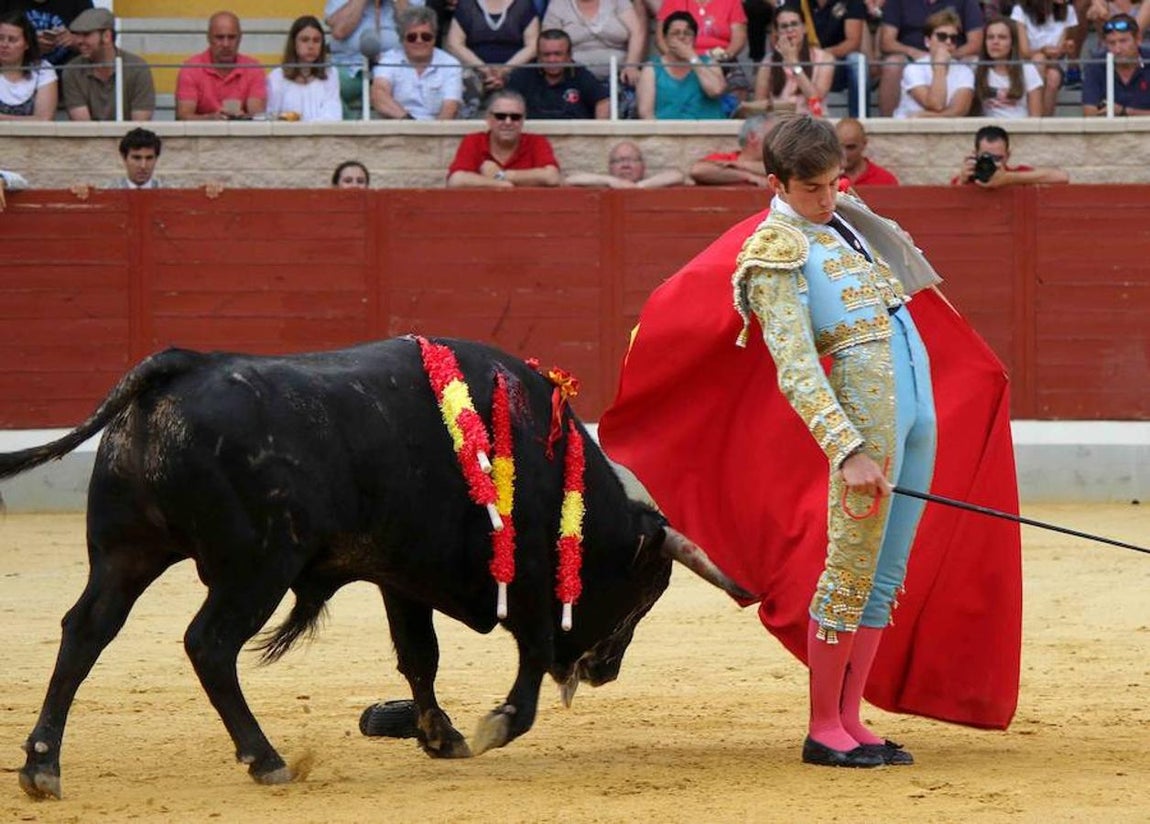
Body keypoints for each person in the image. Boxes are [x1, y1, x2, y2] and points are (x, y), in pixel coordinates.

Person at [597, 112, 1024, 769]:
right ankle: (824, 724)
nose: (827, 198)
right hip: (865, 435)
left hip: (914, 427)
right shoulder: (775, 251)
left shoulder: (849, 223)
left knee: (885, 579)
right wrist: (846, 449)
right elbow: (794, 366)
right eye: (813, 189)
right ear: (777, 183)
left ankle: (854, 718)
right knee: (846, 576)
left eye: (834, 183)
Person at [878, 0, 984, 116]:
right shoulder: (913, 70)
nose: (948, 42)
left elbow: (959, 110)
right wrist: (938, 64)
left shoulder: (965, 72)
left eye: (953, 38)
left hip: (954, 60)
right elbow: (936, 105)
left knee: (974, 61)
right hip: (910, 130)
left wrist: (929, 117)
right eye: (942, 37)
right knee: (893, 64)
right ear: (927, 41)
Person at [326, 0, 426, 118]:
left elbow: (417, 31)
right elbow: (339, 31)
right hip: (351, 66)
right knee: (323, 86)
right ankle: (354, 129)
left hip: (396, 67)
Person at [446, 89, 561, 187]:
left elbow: (552, 177)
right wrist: (500, 183)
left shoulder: (536, 142)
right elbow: (455, 180)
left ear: (523, 120)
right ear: (488, 119)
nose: (508, 122)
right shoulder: (474, 141)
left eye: (515, 117)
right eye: (500, 116)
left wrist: (501, 175)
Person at [61, 7, 155, 121]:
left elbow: (140, 124)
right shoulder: (72, 71)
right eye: (77, 35)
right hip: (90, 138)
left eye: (86, 34)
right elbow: (83, 127)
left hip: (130, 138)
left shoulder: (138, 68)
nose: (79, 41)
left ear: (106, 36)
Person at [444, 0, 539, 113]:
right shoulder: (466, 5)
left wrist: (504, 70)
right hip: (475, 69)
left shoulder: (524, 4)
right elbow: (454, 44)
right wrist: (485, 69)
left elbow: (533, 47)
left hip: (515, 70)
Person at [70, 127, 223, 197]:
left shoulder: (171, 192)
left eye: (149, 158)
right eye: (136, 158)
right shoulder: (106, 191)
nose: (143, 165)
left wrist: (208, 191)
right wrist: (81, 192)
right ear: (124, 158)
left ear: (156, 159)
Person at [372, 6, 462, 119]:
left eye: (426, 36)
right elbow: (379, 95)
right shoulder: (389, 59)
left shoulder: (450, 64)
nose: (419, 41)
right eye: (412, 37)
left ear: (434, 38)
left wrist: (434, 134)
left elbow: (450, 108)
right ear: (401, 39)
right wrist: (410, 123)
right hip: (398, 127)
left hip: (437, 131)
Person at [175, 11, 267, 121]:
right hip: (201, 136)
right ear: (208, 38)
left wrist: (242, 118)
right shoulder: (191, 68)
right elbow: (184, 116)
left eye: (231, 37)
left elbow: (257, 115)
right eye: (219, 37)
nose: (226, 44)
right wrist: (212, 119)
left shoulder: (253, 68)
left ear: (240, 38)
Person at [655, 0, 749, 104]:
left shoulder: (731, 2)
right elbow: (661, 39)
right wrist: (677, 57)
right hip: (681, 58)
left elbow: (738, 39)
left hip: (720, 59)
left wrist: (723, 57)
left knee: (739, 84)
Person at [636, 11, 727, 119]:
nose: (681, 37)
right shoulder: (651, 69)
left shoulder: (710, 63)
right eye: (675, 33)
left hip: (708, 133)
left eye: (687, 33)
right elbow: (646, 114)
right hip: (667, 133)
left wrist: (692, 57)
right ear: (665, 39)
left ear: (695, 38)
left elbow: (716, 90)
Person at [541, 0, 645, 91]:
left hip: (619, 74)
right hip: (573, 77)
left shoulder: (617, 1)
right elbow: (547, 41)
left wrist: (631, 65)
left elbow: (637, 32)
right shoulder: (559, 4)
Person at [750, 5, 834, 116]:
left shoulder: (824, 58)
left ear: (804, 28)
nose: (790, 30)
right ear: (777, 32)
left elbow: (816, 99)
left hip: (812, 124)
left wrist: (794, 64)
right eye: (784, 26)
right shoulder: (769, 62)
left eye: (794, 24)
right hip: (778, 123)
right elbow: (758, 105)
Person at [506, 28, 609, 117]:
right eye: (546, 54)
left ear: (569, 56)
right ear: (538, 56)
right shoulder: (522, 75)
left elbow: (603, 102)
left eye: (558, 54)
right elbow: (505, 104)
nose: (552, 60)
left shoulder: (580, 74)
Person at [266, 15, 343, 121]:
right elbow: (271, 116)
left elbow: (333, 116)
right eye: (305, 40)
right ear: (294, 43)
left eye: (316, 40)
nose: (311, 46)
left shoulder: (330, 74)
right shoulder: (277, 77)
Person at [1011, 0, 1077, 116]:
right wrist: (1043, 50)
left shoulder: (1068, 10)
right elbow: (1023, 52)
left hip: (1054, 63)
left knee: (1053, 75)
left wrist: (1065, 48)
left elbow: (1059, 52)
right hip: (1026, 65)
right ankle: (1036, 117)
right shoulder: (1020, 10)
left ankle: (1043, 123)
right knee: (1040, 61)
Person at [951, 124, 1070, 186]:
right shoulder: (967, 177)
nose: (992, 163)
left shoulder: (1015, 174)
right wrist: (962, 181)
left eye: (997, 158)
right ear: (975, 155)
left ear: (1007, 156)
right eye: (986, 157)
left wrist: (1008, 179)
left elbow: (1062, 177)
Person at [808, 0, 871, 117]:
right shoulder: (799, 2)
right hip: (805, 63)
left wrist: (823, 55)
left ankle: (860, 121)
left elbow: (853, 43)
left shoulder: (850, 2)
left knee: (857, 60)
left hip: (836, 64)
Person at [972, 16, 1043, 117]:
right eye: (990, 37)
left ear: (1012, 43)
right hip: (989, 131)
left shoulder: (1028, 69)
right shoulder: (976, 69)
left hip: (1021, 129)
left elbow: (1036, 116)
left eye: (1002, 37)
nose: (995, 42)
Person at [1082, 14, 1150, 116]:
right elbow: (1089, 113)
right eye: (1111, 43)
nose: (1117, 49)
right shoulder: (1096, 64)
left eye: (1123, 41)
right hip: (1107, 130)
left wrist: (1124, 111)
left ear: (1138, 40)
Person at [689, 113, 775, 185]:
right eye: (773, 136)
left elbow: (778, 170)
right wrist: (749, 176)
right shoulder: (727, 159)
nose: (777, 141)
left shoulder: (776, 162)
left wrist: (740, 165)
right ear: (752, 137)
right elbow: (698, 170)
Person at [0, 9, 56, 120]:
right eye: (0, 38)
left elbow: (44, 120)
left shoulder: (43, 70)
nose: (4, 44)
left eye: (12, 40)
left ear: (27, 44)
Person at [5, 0, 91, 66]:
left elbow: (99, 43)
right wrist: (30, 44)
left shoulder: (79, 2)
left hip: (70, 74)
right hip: (18, 74)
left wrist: (76, 40)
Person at [564, 139, 685, 187]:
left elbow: (678, 175)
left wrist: (640, 187)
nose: (625, 165)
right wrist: (611, 181)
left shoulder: (651, 184)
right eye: (619, 161)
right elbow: (569, 180)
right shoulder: (606, 184)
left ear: (643, 166)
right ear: (610, 167)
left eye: (632, 160)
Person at [836, 117, 899, 186]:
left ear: (864, 144)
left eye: (850, 147)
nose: (844, 153)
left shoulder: (885, 180)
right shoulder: (827, 180)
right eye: (839, 147)